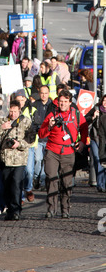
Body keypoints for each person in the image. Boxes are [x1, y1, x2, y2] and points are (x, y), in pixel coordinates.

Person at [38, 89, 88, 218]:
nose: (63, 104)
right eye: (61, 101)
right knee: (51, 178)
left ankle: (65, 209)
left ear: (70, 102)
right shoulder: (52, 114)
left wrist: (82, 142)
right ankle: (51, 209)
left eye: (65, 102)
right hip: (52, 151)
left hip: (68, 151)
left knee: (66, 182)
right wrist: (49, 126)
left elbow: (84, 127)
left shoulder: (76, 114)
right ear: (57, 102)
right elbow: (41, 134)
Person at [0, 99, 33, 221]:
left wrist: (19, 144)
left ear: (19, 110)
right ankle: (10, 209)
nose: (13, 114)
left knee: (16, 184)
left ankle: (16, 210)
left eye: (15, 111)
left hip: (20, 159)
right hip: (5, 159)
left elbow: (31, 138)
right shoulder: (2, 119)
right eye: (11, 111)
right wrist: (1, 127)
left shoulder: (26, 121)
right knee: (7, 186)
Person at [32, 85, 53, 190]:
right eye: (42, 93)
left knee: (46, 161)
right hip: (38, 138)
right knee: (38, 159)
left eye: (46, 93)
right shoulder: (35, 105)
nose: (44, 95)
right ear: (39, 93)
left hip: (49, 138)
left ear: (48, 93)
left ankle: (44, 182)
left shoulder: (53, 105)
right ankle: (36, 177)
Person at [86, 94, 106, 192]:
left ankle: (103, 184)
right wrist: (93, 117)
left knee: (104, 161)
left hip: (105, 140)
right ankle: (100, 184)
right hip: (95, 138)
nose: (105, 103)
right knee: (98, 159)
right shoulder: (96, 108)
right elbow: (85, 119)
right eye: (104, 101)